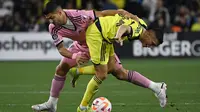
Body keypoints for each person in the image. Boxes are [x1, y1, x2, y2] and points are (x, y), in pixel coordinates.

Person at [31, 1, 167, 112]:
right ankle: (52, 103)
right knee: (61, 69)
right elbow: (61, 49)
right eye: (48, 19)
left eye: (52, 17)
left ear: (60, 12)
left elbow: (102, 14)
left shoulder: (78, 15)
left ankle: (156, 87)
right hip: (87, 43)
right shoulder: (53, 28)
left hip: (99, 38)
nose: (50, 21)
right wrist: (75, 55)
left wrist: (121, 13)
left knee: (118, 73)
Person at [76, 13, 167, 112]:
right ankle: (82, 108)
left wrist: (131, 17)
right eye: (152, 43)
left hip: (106, 36)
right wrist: (119, 35)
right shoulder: (138, 31)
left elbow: (132, 17)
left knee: (119, 72)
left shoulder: (142, 24)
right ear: (150, 33)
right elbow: (125, 27)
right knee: (101, 74)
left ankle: (156, 87)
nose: (150, 46)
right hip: (98, 34)